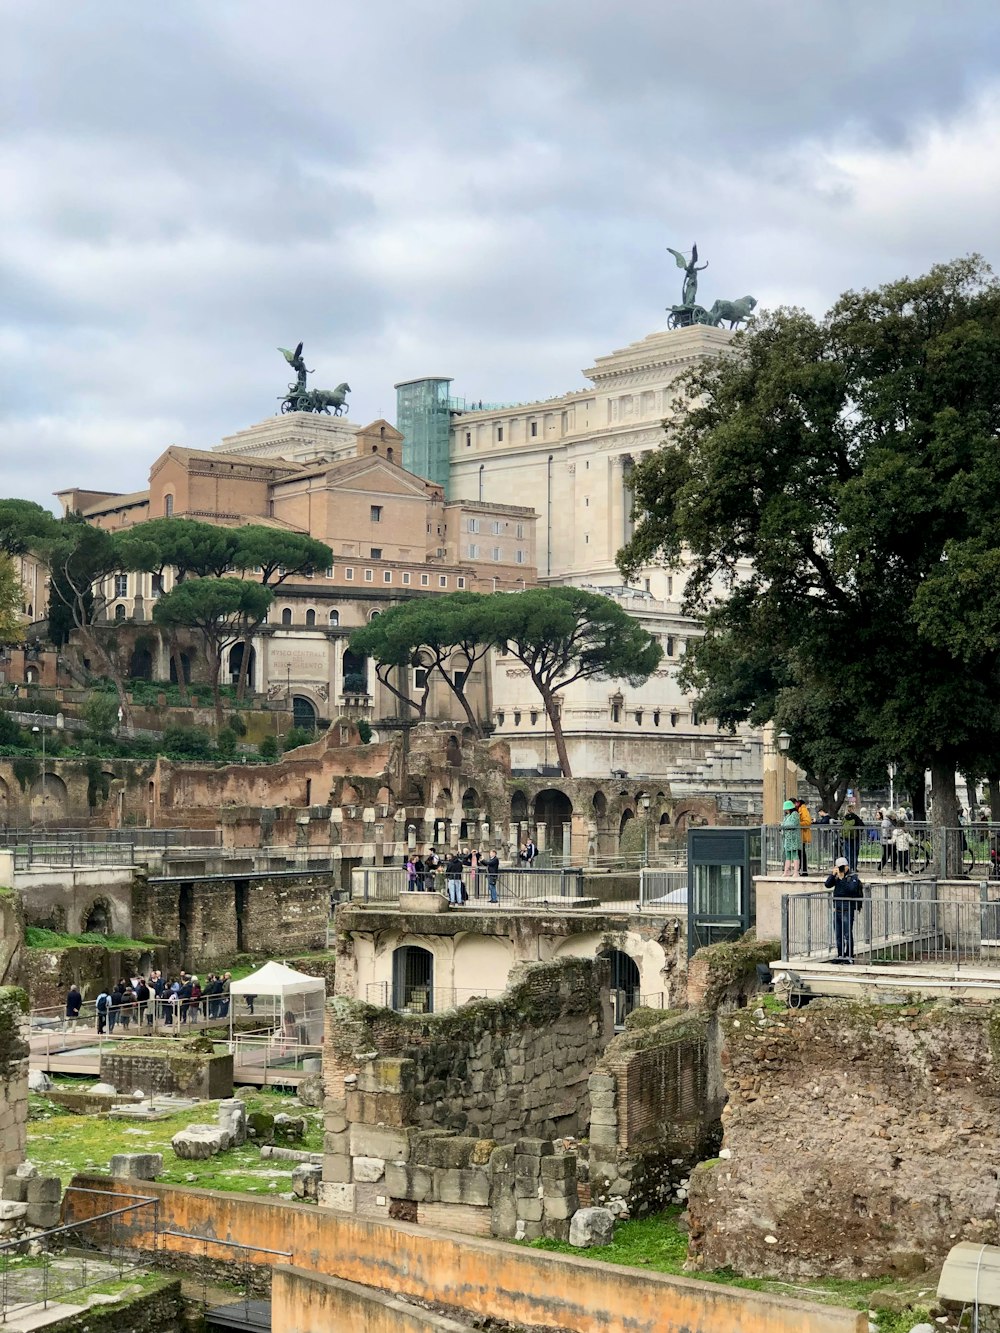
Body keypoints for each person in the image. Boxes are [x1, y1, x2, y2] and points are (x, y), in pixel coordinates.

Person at [825, 856, 864, 962]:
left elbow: (850, 890)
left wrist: (842, 879)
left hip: (847, 910)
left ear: (847, 866)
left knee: (847, 934)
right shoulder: (836, 877)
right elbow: (827, 885)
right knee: (838, 935)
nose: (842, 868)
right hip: (837, 910)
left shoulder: (853, 877)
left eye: (843, 866)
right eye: (839, 867)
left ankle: (849, 956)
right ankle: (840, 955)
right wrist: (832, 875)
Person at [781, 800, 801, 878]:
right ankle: (786, 871)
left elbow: (792, 824)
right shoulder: (787, 816)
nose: (785, 810)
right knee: (787, 855)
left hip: (794, 838)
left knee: (795, 855)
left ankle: (796, 871)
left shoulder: (795, 814)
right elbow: (784, 823)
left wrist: (783, 824)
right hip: (787, 838)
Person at [795, 798, 812, 876]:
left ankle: (804, 870)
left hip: (802, 835)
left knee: (801, 853)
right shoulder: (799, 810)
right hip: (799, 835)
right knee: (800, 853)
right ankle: (801, 869)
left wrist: (797, 824)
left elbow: (807, 822)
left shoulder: (803, 810)